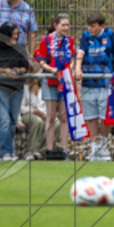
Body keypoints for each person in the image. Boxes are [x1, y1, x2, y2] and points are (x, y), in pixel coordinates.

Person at [74, 12, 114, 161]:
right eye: (88, 25)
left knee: (104, 117)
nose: (90, 29)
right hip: (89, 82)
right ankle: (93, 148)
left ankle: (103, 146)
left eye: (93, 26)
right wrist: (77, 69)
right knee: (91, 118)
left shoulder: (110, 34)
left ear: (101, 26)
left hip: (106, 83)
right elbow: (80, 53)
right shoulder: (85, 36)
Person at [33, 14, 77, 157]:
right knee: (50, 116)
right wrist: (51, 70)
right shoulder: (46, 40)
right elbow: (41, 60)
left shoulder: (69, 41)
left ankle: (64, 149)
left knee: (63, 117)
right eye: (63, 25)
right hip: (50, 80)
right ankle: (49, 149)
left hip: (64, 80)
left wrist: (68, 69)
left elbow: (72, 59)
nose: (66, 28)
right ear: (55, 25)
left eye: (67, 25)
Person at [0, 22, 30, 161]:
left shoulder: (20, 47)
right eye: (13, 34)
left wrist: (17, 70)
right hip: (1, 87)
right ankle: (5, 152)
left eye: (17, 34)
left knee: (12, 121)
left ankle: (11, 151)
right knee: (3, 120)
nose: (16, 37)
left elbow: (25, 67)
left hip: (16, 87)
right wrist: (4, 71)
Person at [17, 79, 47, 161]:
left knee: (56, 123)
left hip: (42, 114)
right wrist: (34, 111)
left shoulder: (45, 87)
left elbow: (46, 106)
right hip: (26, 114)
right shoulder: (24, 88)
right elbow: (21, 108)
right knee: (37, 121)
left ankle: (41, 152)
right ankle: (29, 151)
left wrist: (44, 114)